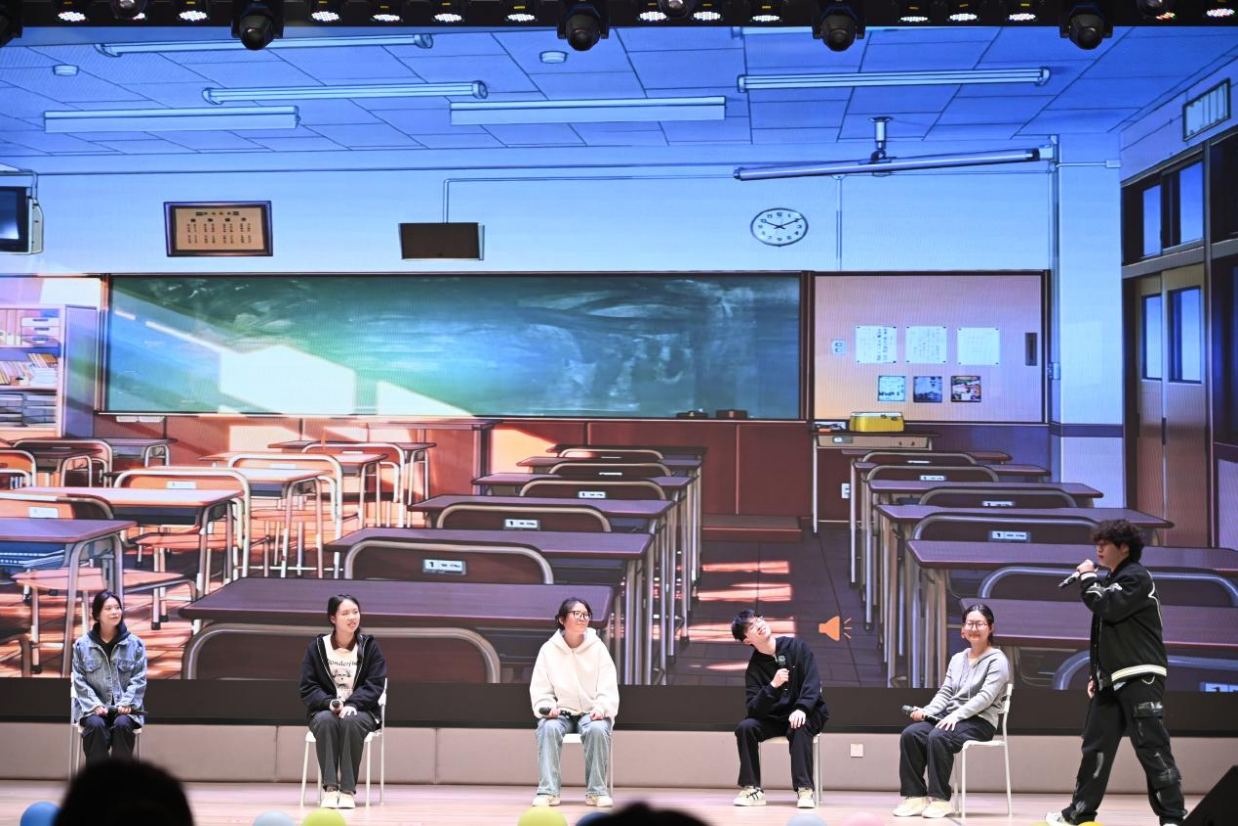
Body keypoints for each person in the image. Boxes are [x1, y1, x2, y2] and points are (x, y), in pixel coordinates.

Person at [1047, 519, 1188, 826]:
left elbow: (1107, 605)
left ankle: (1173, 818)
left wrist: (1087, 578)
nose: (1098, 549)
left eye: (1105, 544)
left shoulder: (1136, 576)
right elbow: (1108, 635)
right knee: (1095, 748)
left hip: (1140, 676)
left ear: (1124, 547)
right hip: (1112, 679)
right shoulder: (1114, 578)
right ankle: (1079, 813)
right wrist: (1097, 675)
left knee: (1151, 747)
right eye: (1097, 544)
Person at [894, 603, 1011, 819]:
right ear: (963, 630)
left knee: (939, 736)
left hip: (979, 722)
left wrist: (956, 715)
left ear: (991, 628)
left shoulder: (998, 660)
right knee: (911, 734)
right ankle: (915, 797)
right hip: (950, 719)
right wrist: (927, 711)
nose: (974, 628)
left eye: (980, 624)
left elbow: (985, 697)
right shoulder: (957, 659)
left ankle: (940, 800)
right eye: (970, 624)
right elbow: (946, 692)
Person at [730, 609, 829, 809]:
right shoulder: (754, 668)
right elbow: (754, 709)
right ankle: (752, 789)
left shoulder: (797, 647)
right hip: (776, 718)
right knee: (746, 727)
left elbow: (812, 683)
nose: (759, 625)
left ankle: (805, 789)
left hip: (807, 713)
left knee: (799, 725)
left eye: (758, 619)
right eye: (751, 626)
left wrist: (801, 708)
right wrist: (772, 686)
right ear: (747, 641)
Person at [299, 594, 387, 810]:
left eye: (355, 612)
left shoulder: (370, 647)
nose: (352, 617)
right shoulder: (317, 647)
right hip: (325, 710)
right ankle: (330, 789)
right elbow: (308, 687)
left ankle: (347, 790)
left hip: (362, 711)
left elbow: (374, 684)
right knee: (326, 721)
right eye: (345, 613)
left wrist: (353, 704)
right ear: (333, 618)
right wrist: (328, 703)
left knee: (350, 721)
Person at [529, 597, 619, 809]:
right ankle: (548, 791)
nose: (582, 618)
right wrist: (547, 707)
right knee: (548, 728)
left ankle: (597, 792)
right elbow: (541, 688)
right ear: (562, 619)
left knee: (598, 729)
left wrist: (601, 708)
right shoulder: (549, 649)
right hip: (561, 713)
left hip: (591, 713)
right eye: (577, 614)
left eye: (586, 614)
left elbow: (607, 686)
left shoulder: (598, 648)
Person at [71, 591, 147, 766]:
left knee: (122, 724)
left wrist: (127, 703)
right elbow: (79, 680)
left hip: (125, 709)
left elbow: (139, 679)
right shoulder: (82, 645)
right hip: (92, 709)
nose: (115, 612)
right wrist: (94, 705)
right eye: (109, 608)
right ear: (97, 615)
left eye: (117, 607)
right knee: (95, 725)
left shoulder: (135, 644)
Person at [56, 759, 194, 826]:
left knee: (122, 724)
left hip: (126, 715)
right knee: (95, 724)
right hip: (93, 715)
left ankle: (113, 764)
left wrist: (128, 709)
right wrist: (95, 710)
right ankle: (101, 766)